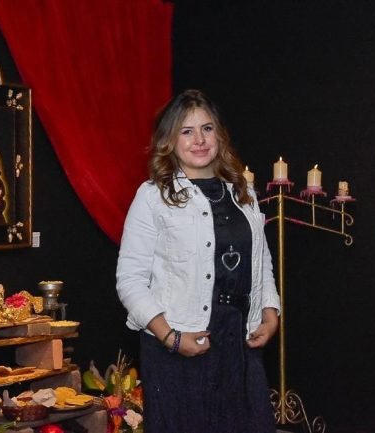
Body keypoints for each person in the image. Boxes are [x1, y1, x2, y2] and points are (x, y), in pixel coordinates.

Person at [116, 89, 280, 433]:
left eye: (207, 128)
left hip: (238, 341)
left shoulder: (243, 193)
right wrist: (170, 337)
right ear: (170, 140)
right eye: (187, 131)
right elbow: (130, 280)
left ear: (219, 134)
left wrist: (270, 311)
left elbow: (261, 261)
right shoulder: (153, 196)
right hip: (179, 344)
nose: (200, 140)